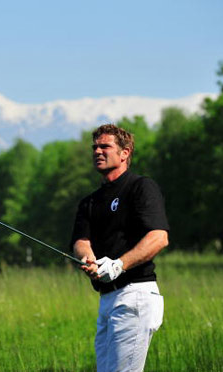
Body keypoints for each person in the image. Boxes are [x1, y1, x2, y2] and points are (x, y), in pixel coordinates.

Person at [70, 124, 169, 372]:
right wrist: (89, 259)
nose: (97, 151)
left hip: (135, 294)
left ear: (125, 153)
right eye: (95, 147)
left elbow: (159, 237)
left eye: (105, 146)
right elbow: (81, 242)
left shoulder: (140, 187)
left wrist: (118, 265)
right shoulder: (89, 201)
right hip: (106, 299)